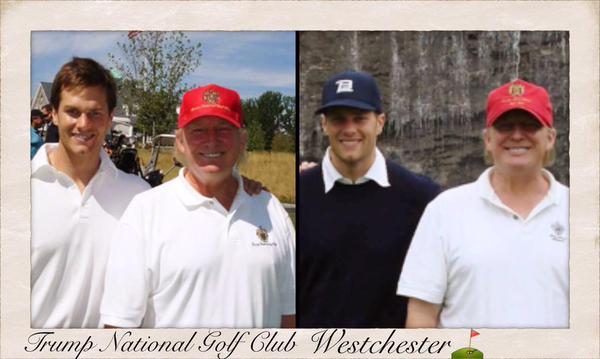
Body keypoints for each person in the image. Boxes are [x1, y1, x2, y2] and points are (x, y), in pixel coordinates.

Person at [100, 84, 296, 328]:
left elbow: (289, 314)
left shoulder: (270, 209)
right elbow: (118, 326)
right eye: (198, 131)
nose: (211, 141)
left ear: (242, 139)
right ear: (180, 141)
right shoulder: (146, 212)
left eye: (223, 129)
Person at [397, 79, 568, 328]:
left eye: (530, 125)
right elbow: (422, 315)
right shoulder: (445, 210)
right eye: (505, 126)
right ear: (488, 138)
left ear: (550, 137)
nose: (517, 135)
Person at [298, 71, 440, 328]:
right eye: (338, 119)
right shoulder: (301, 194)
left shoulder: (422, 198)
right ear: (324, 125)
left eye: (360, 118)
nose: (349, 129)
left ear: (380, 122)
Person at [31, 57, 151, 328]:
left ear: (110, 118)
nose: (84, 124)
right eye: (73, 111)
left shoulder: (139, 197)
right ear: (53, 114)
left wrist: (241, 185)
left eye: (95, 113)